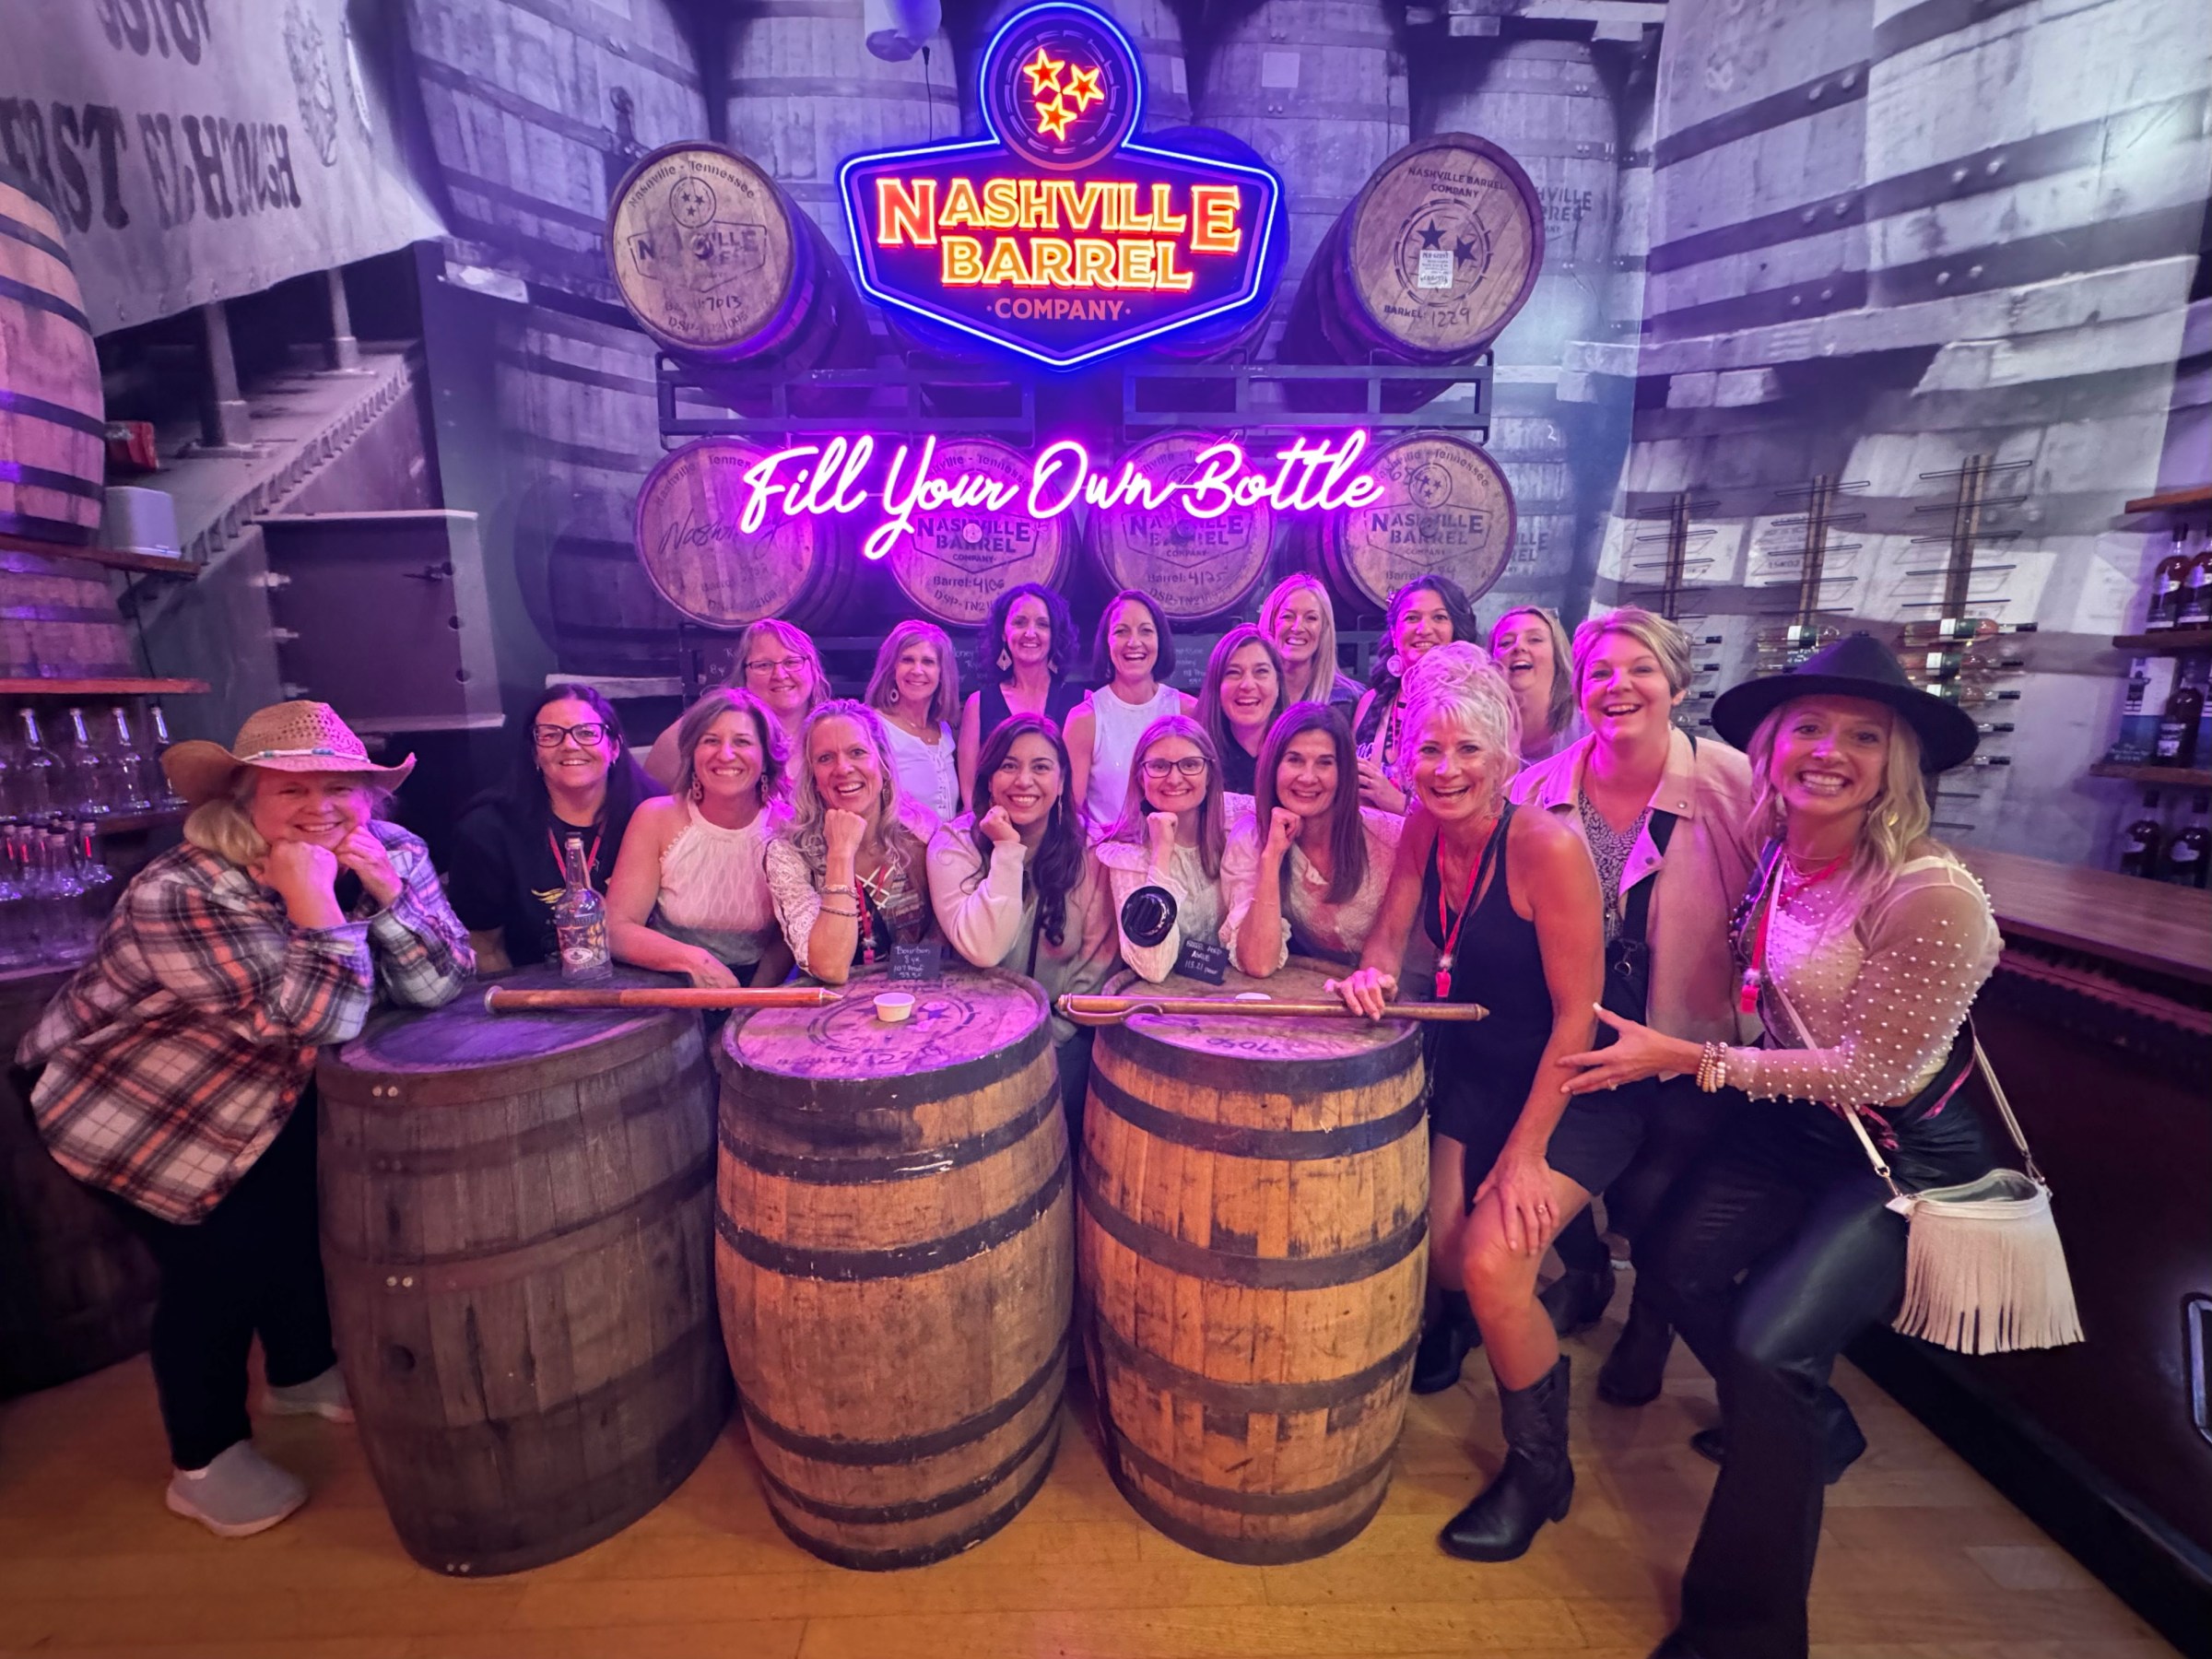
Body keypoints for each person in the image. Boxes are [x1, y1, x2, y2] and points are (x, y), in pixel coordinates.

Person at [1559, 635, 1998, 1659]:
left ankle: (1744, 1632)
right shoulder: (1780, 849)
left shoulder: (1932, 894)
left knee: (1770, 1345)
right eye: (1808, 726)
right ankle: (1813, 1428)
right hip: (1792, 1125)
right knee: (1671, 1264)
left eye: (1863, 735)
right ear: (1771, 744)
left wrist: (1690, 1058)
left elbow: (1875, 1075)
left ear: (1899, 763)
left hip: (1901, 1154)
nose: (1828, 751)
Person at [16, 701, 473, 1538]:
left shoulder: (394, 849)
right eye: (290, 788)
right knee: (214, 1274)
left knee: (297, 1228)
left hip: (273, 1088)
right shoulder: (183, 889)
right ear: (240, 799)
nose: (321, 806)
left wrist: (386, 893)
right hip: (142, 1103)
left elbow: (440, 982)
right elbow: (320, 1021)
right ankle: (204, 1459)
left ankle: (299, 1374)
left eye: (342, 786)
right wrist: (315, 902)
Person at [1333, 647, 1614, 1564]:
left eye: (1464, 752)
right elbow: (1390, 930)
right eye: (1427, 751)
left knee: (1491, 1268)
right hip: (1482, 1069)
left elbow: (1578, 1017)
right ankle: (1564, 1282)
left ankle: (1541, 1470)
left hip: (1578, 1078)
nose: (1443, 770)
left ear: (1502, 761)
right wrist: (1372, 973)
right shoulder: (1422, 822)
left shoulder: (1549, 846)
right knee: (1446, 1263)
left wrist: (1527, 1155)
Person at [1510, 608, 1759, 1395]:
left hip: (1685, 1037)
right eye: (1599, 674)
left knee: (1656, 1199)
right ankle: (1587, 1275)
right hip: (1576, 1031)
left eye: (1639, 669)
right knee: (1549, 1171)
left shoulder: (1736, 785)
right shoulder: (1535, 788)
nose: (1618, 686)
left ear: (1676, 683)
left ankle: (1648, 1330)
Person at [927, 713, 1120, 1120]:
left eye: (1041, 767)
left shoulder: (1093, 848)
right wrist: (1007, 851)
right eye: (1009, 765)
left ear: (1063, 781)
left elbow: (1097, 962)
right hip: (967, 1040)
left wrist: (1051, 1037)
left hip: (1060, 1040)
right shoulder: (954, 845)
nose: (1024, 780)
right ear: (989, 778)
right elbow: (983, 948)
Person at [446, 684, 655, 973]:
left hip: (649, 989)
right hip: (537, 996)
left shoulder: (655, 814)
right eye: (550, 735)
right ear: (534, 753)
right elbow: (484, 947)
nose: (569, 745)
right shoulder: (487, 831)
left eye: (586, 732)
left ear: (614, 747)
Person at [606, 688, 794, 988]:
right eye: (711, 741)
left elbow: (788, 937)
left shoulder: (788, 827)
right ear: (692, 753)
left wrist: (750, 1002)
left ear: (766, 757)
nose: (726, 754)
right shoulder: (654, 818)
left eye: (742, 742)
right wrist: (694, 960)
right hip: (664, 984)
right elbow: (616, 929)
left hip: (754, 987)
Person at [1221, 701, 1400, 973]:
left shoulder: (1388, 837)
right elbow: (1258, 963)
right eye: (1294, 760)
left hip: (1408, 988)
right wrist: (1271, 858)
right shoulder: (1252, 838)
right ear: (1273, 766)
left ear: (1343, 773)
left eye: (1324, 763)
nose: (1307, 777)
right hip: (1329, 991)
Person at [767, 699, 936, 983]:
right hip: (828, 1014)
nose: (843, 768)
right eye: (825, 758)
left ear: (882, 763)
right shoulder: (788, 853)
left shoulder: (921, 833)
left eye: (857, 752)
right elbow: (830, 967)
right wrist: (840, 853)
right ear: (812, 777)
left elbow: (941, 941)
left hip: (915, 1002)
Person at [1092, 715, 1241, 983]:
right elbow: (1153, 966)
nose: (1174, 778)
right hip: (1162, 1007)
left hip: (1233, 994)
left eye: (1190, 765)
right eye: (1159, 766)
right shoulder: (1128, 856)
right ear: (1140, 777)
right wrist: (1161, 855)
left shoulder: (1234, 826)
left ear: (1209, 775)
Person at [644, 618, 829, 788]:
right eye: (763, 665)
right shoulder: (692, 732)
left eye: (792, 662)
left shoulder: (834, 730)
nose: (780, 675)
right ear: (743, 674)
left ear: (813, 669)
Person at [1065, 588, 1195, 825]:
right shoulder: (1084, 720)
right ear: (1106, 642)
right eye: (1121, 632)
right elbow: (1069, 814)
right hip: (1106, 856)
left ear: (1160, 639)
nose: (1134, 642)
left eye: (1145, 631)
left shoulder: (1189, 711)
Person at [1352, 575, 1478, 813]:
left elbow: (1477, 808)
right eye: (1412, 618)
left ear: (1456, 629)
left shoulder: (1471, 707)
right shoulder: (1371, 702)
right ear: (1393, 630)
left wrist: (1399, 804)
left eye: (1439, 617)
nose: (1424, 629)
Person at [958, 582, 1085, 807]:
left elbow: (1079, 794)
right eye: (1019, 622)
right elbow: (970, 795)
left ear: (1054, 635)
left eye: (1042, 624)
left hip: (1063, 836)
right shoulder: (978, 704)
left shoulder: (1082, 703)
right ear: (1004, 634)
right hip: (994, 833)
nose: (1030, 633)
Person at [865, 618, 962, 824]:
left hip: (946, 854)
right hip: (896, 854)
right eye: (907, 660)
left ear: (942, 673)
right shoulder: (873, 728)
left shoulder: (944, 731)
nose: (917, 670)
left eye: (928, 662)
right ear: (892, 669)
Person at [1195, 625, 1288, 800]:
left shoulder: (1298, 755)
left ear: (1277, 684)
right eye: (1233, 673)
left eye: (1261, 672)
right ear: (1216, 686)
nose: (1247, 685)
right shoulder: (1195, 759)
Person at [1261, 573, 1362, 714]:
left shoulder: (1351, 701)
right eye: (1287, 616)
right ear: (1272, 624)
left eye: (1311, 618)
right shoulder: (1253, 697)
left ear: (1323, 629)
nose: (1297, 628)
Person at [1491, 606, 1579, 766]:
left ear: (1557, 655)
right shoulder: (1479, 729)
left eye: (1535, 640)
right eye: (1506, 643)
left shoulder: (1588, 726)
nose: (1519, 647)